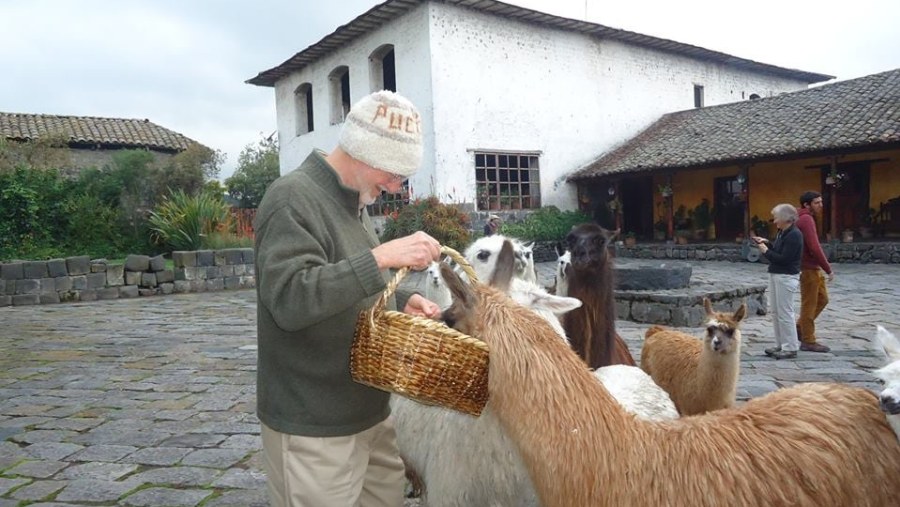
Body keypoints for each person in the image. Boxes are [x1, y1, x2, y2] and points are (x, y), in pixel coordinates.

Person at [253, 90, 442, 507]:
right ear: (363, 152)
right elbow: (289, 299)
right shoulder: (290, 198)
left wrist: (400, 301)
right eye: (394, 174)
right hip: (313, 425)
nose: (395, 187)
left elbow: (349, 289)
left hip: (370, 414)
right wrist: (380, 257)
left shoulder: (355, 202)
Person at [752, 203, 804, 360]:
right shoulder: (783, 232)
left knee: (785, 313)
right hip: (776, 275)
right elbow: (779, 250)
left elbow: (784, 259)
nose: (774, 221)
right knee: (775, 312)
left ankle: (790, 346)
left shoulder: (794, 235)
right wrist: (768, 243)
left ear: (785, 219)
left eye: (776, 218)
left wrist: (765, 251)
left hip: (786, 276)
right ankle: (781, 344)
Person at [796, 191, 834, 353]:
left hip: (812, 267)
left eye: (821, 202)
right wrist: (828, 268)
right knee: (809, 304)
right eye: (817, 202)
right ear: (807, 205)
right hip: (808, 268)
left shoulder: (804, 218)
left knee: (823, 299)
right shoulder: (805, 219)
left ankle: (799, 328)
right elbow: (814, 246)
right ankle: (808, 340)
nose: (821, 205)